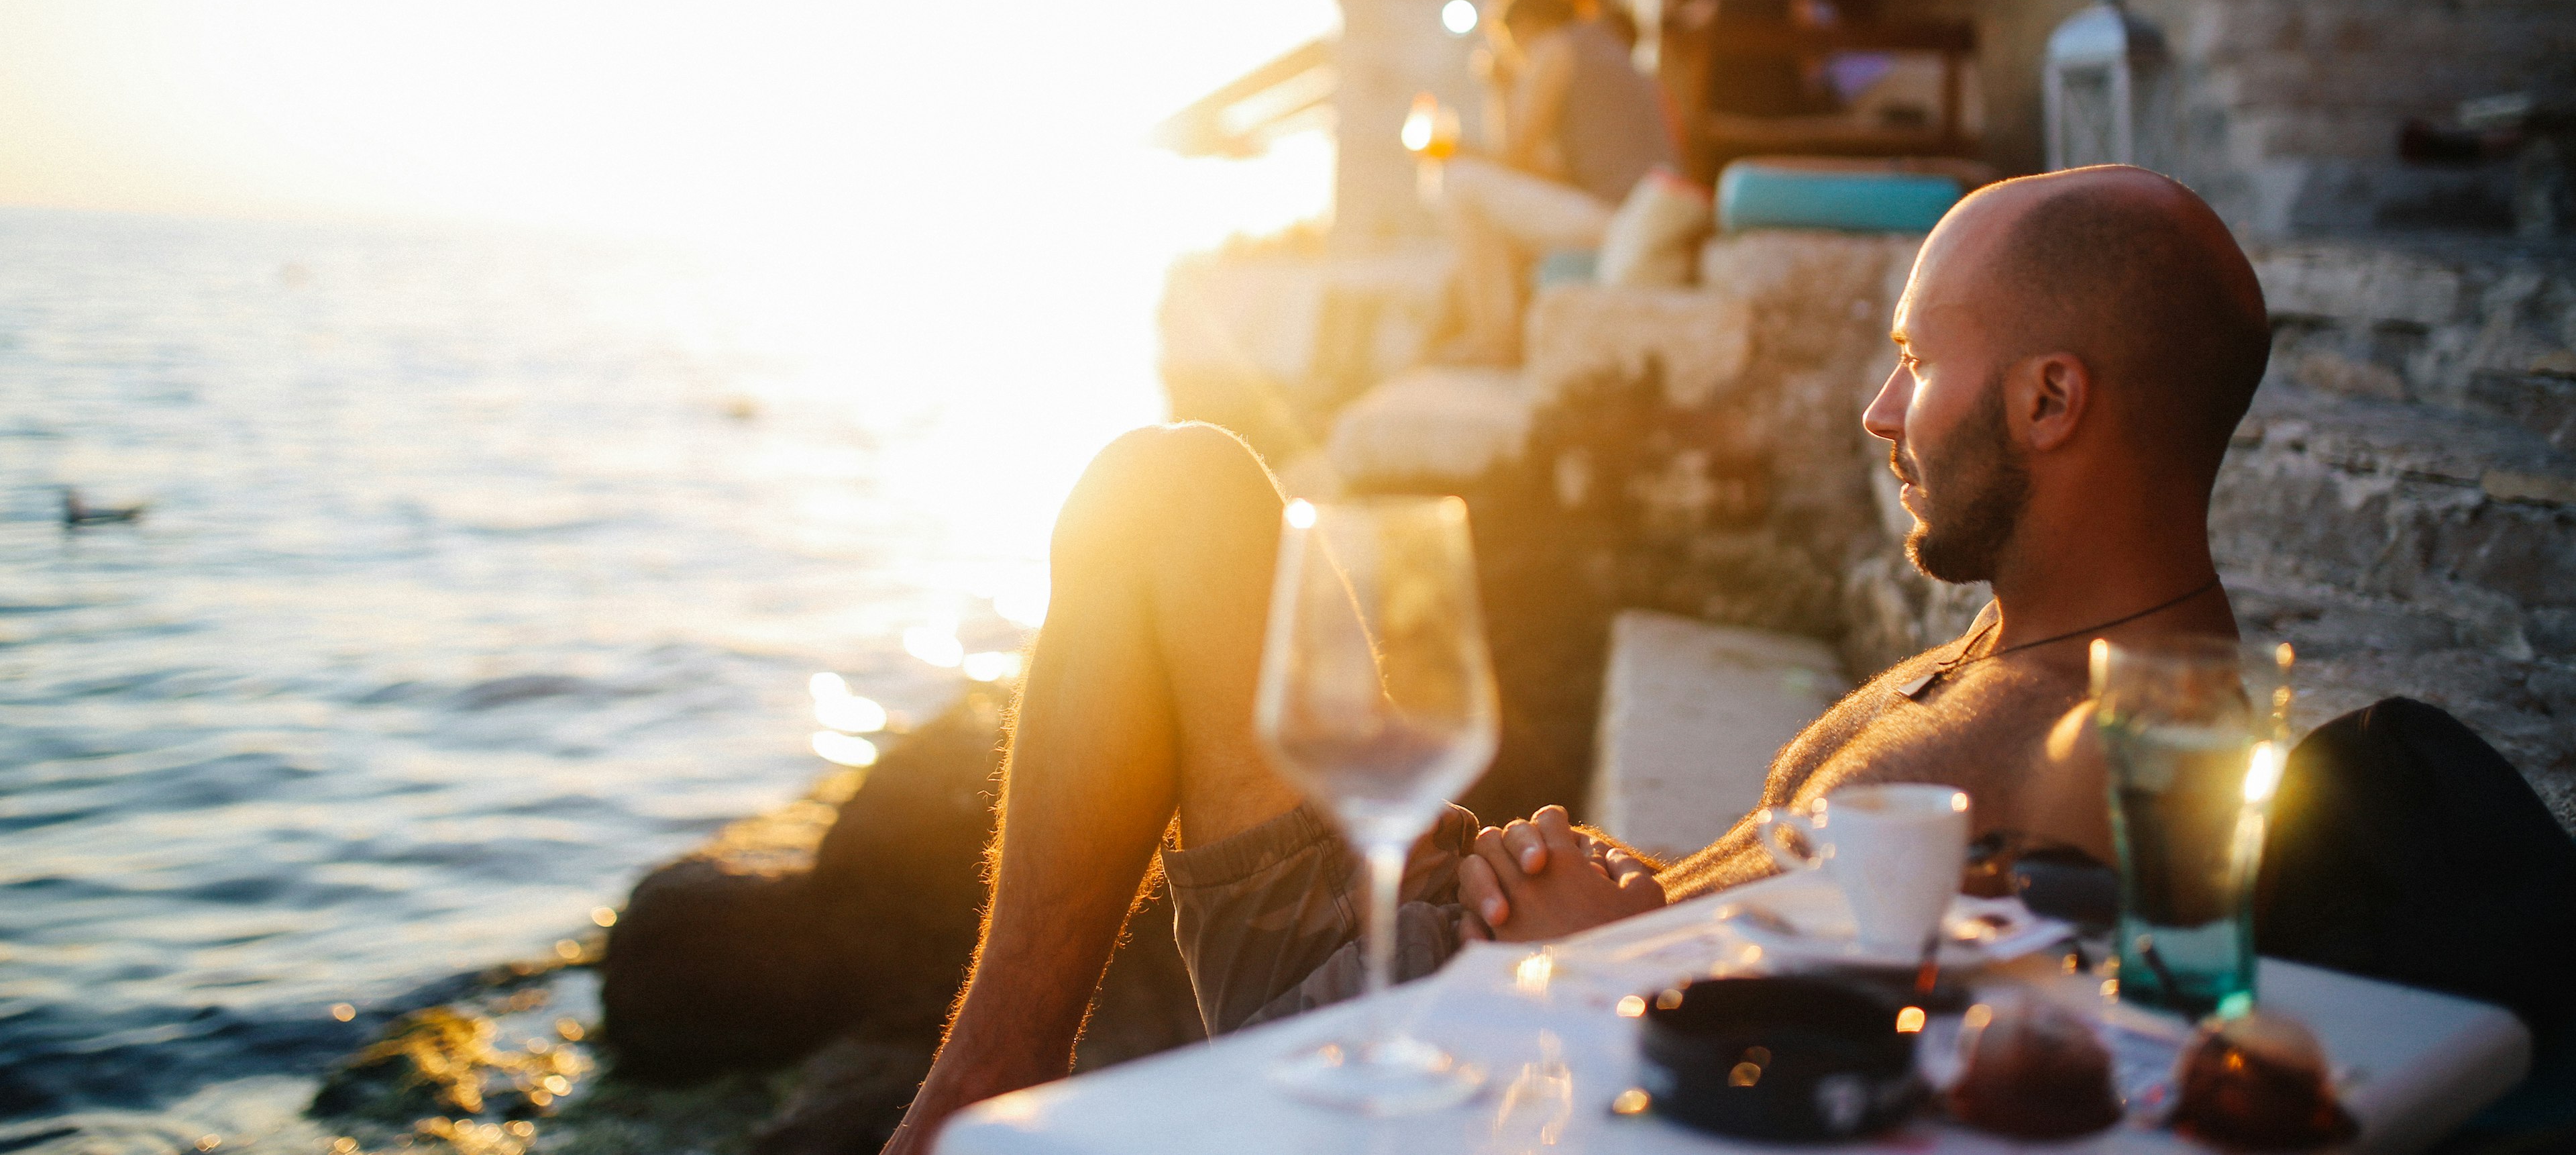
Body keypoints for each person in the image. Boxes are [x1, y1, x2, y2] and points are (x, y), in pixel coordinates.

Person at [879, 164, 2271, 1154]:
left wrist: (1609, 973)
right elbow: (1800, 911)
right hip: (1499, 955)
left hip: (1488, 1043)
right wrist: (1609, 893)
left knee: (1165, 497)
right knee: (1176, 491)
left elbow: (1928, 1077)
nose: (1877, 410)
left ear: (2049, 399)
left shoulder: (2111, 754)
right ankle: (992, 1077)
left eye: (1917, 360)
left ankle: (975, 1097)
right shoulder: (2012, 644)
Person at [1435, 0, 1676, 364]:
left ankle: (1496, 339)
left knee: (1462, 186)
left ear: (1526, 27)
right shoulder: (1605, 48)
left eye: (1510, 44)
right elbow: (1549, 171)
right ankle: (1498, 331)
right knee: (1487, 203)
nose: (1515, 58)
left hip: (1621, 219)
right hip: (1645, 212)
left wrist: (1498, 89)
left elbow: (1514, 156)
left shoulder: (1556, 48)